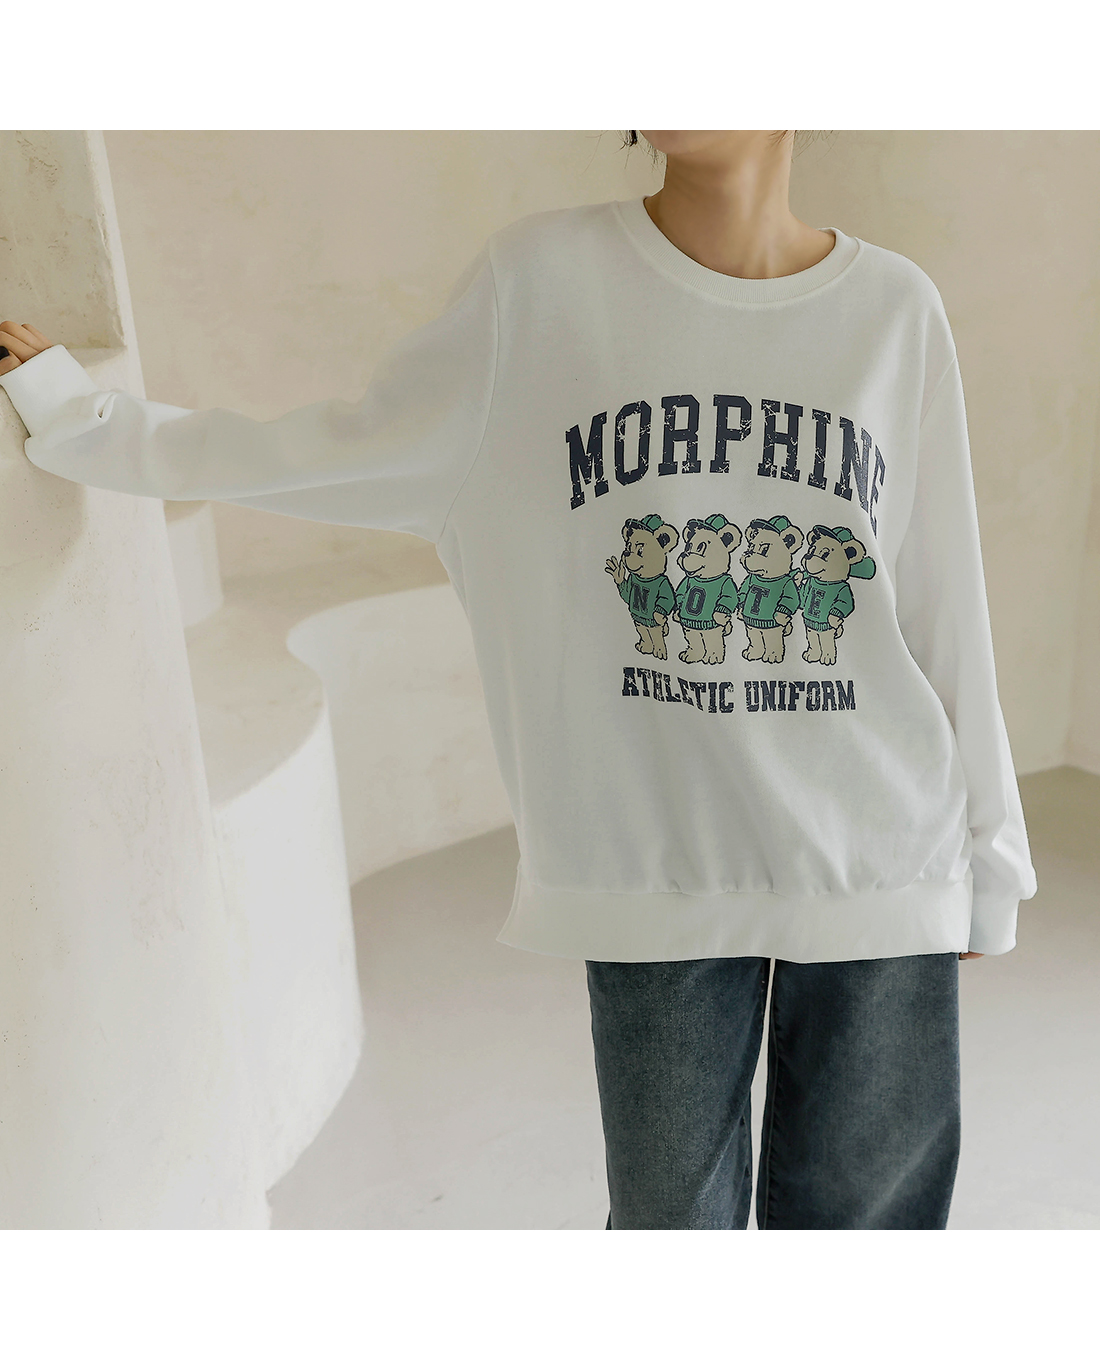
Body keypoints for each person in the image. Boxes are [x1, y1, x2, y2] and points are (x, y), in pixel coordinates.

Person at [0, 130, 1037, 1230]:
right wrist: (87, 420)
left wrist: (990, 853)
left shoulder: (892, 310)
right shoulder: (539, 286)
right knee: (667, 1239)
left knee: (870, 1244)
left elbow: (942, 599)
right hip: (650, 867)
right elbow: (332, 452)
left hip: (881, 852)